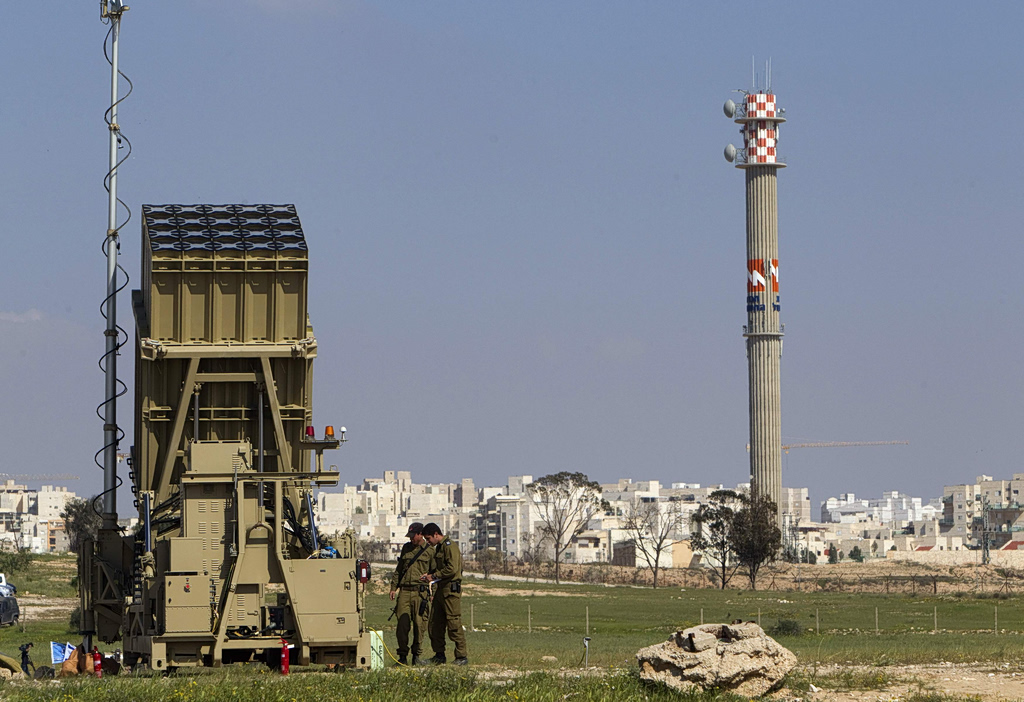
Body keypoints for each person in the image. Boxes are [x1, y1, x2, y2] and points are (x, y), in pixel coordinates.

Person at [420, 522, 467, 665]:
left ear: (436, 534)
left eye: (428, 538)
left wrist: (434, 576)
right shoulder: (439, 548)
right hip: (440, 590)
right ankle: (439, 656)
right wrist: (430, 575)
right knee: (435, 624)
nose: (428, 542)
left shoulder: (449, 546)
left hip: (450, 591)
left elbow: (452, 569)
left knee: (453, 623)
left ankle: (461, 656)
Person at [389, 522, 434, 665]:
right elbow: (399, 569)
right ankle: (402, 657)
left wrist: (433, 592)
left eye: (413, 536)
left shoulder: (430, 551)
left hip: (420, 593)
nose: (411, 539)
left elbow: (435, 573)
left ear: (420, 535)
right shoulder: (406, 548)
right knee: (402, 625)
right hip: (405, 592)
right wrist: (393, 587)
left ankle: (416, 656)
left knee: (420, 625)